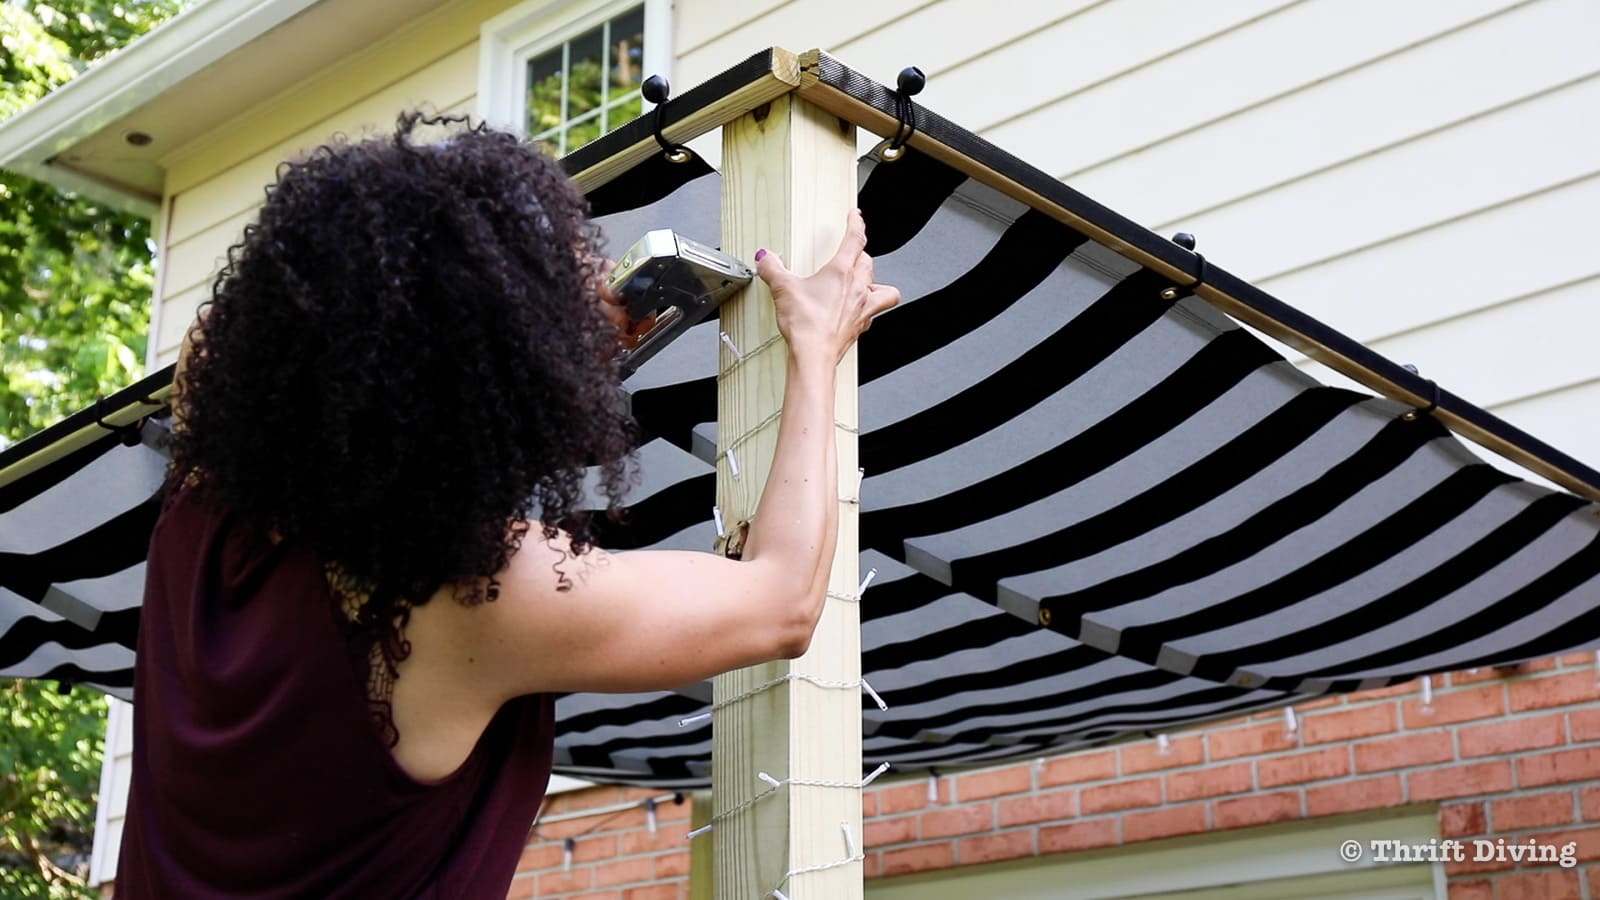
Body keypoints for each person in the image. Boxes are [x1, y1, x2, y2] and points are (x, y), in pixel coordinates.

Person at [114, 112, 899, 898]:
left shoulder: (209, 485)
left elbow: (247, 327)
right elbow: (785, 599)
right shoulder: (474, 593)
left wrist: (519, 348)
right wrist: (817, 348)